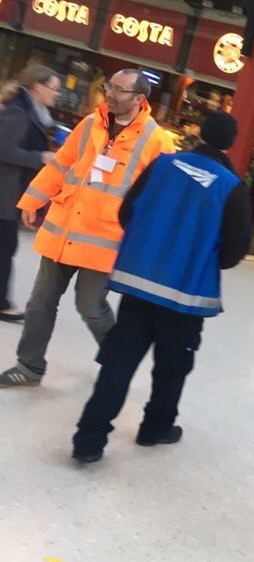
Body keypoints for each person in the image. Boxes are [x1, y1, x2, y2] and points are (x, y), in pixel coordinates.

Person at [70, 112, 252, 463]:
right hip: (186, 294)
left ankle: (88, 440)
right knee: (172, 367)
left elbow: (127, 212)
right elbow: (233, 251)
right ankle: (154, 428)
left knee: (118, 362)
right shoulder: (232, 188)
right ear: (231, 142)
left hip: (139, 283)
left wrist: (149, 242)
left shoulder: (163, 165)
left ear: (199, 133)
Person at [0, 69, 174, 388]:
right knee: (40, 303)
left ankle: (117, 363)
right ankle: (29, 366)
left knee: (90, 306)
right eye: (109, 85)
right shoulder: (91, 123)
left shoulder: (157, 141)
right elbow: (63, 163)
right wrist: (32, 200)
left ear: (139, 99)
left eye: (119, 90)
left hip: (105, 241)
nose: (109, 93)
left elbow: (161, 198)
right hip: (64, 229)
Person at [0, 66, 60, 322]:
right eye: (54, 88)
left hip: (10, 191)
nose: (56, 94)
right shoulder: (19, 113)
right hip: (4, 190)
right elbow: (3, 149)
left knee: (5, 247)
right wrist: (42, 157)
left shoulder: (31, 113)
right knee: (5, 247)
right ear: (38, 86)